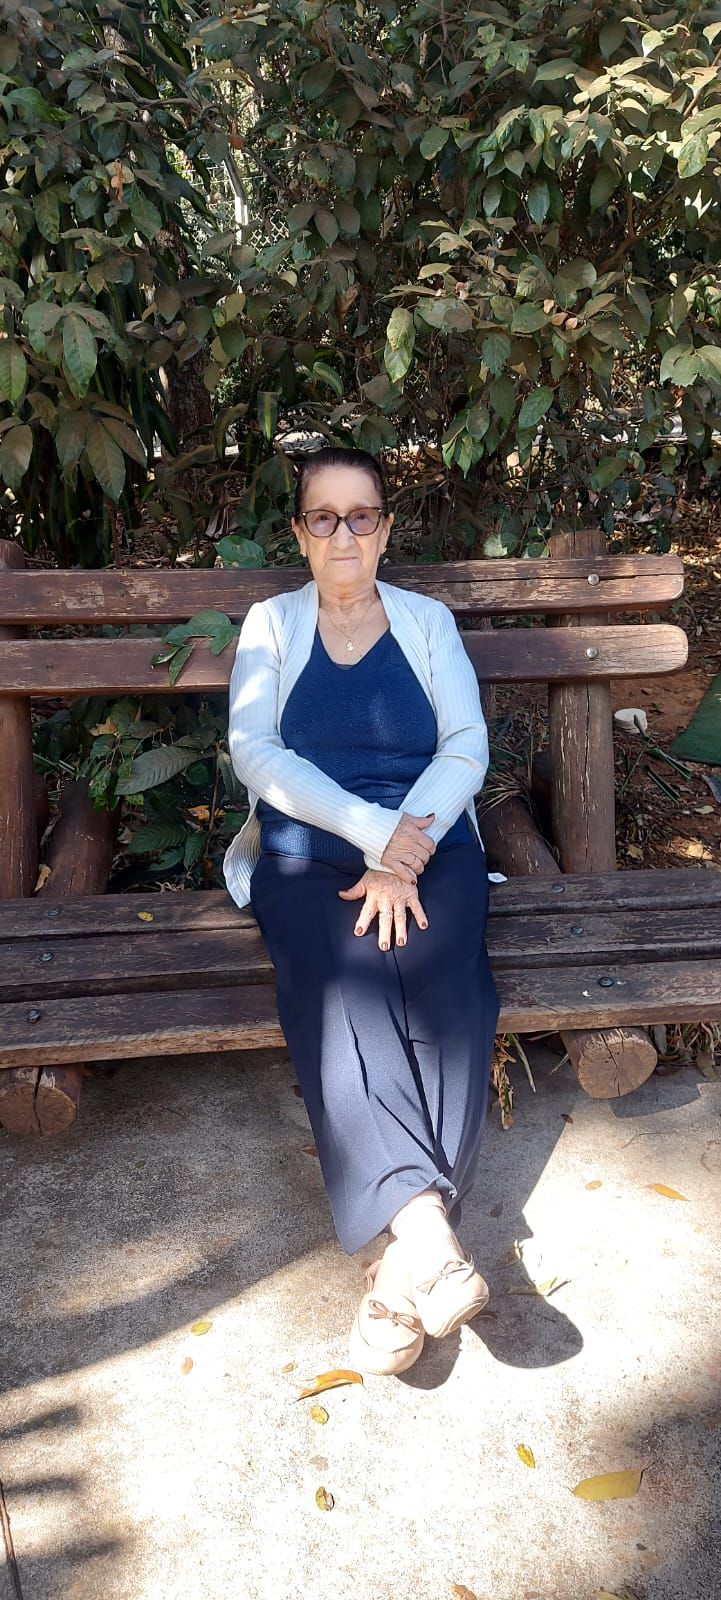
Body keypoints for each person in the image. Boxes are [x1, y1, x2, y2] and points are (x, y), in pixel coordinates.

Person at [224, 447, 500, 1376]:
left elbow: (464, 744)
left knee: (442, 980)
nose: (343, 533)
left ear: (385, 527)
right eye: (324, 517)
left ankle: (403, 1264)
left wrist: (407, 843)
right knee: (340, 983)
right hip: (306, 847)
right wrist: (373, 835)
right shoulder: (271, 623)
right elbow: (257, 754)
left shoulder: (425, 621)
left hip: (430, 840)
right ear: (300, 533)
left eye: (361, 515)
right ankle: (426, 1228)